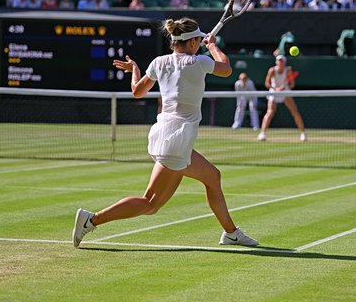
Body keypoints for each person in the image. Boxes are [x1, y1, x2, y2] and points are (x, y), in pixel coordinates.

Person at [72, 17, 258, 248]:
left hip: (167, 135)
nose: (200, 43)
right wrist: (212, 46)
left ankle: (231, 233)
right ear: (191, 43)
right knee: (150, 203)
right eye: (198, 40)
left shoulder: (159, 62)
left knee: (212, 177)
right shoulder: (199, 61)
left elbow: (137, 91)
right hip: (175, 141)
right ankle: (91, 220)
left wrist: (136, 70)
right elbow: (226, 69)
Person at [257, 55, 306, 142]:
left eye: (282, 61)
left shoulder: (288, 71)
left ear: (284, 63)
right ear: (276, 62)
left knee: (295, 112)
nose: (280, 62)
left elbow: (292, 85)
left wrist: (284, 87)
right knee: (270, 112)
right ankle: (262, 133)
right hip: (273, 92)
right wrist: (275, 88)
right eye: (279, 61)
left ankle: (303, 133)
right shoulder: (272, 70)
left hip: (285, 92)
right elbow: (267, 83)